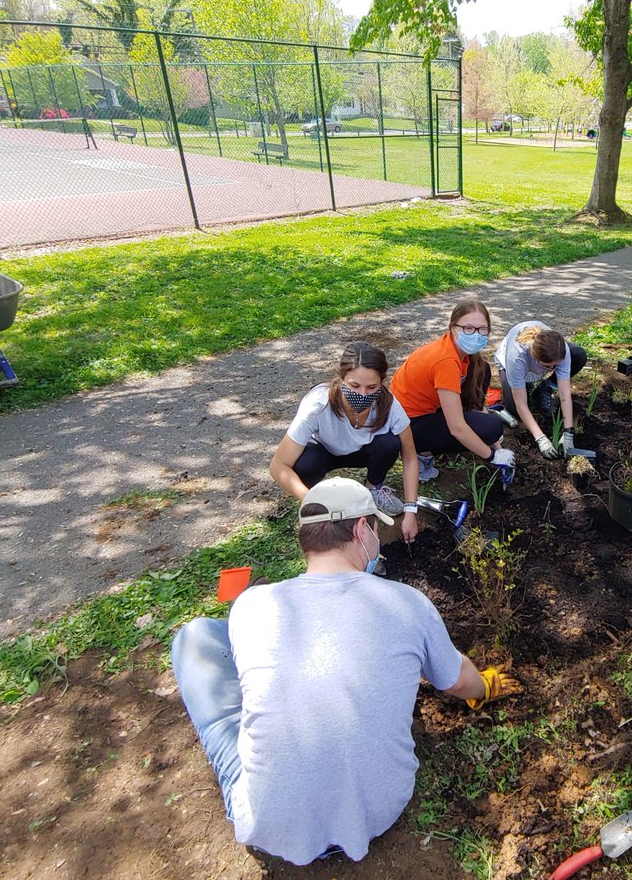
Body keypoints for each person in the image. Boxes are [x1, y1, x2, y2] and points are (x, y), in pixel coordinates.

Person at [171, 477, 520, 866]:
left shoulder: (252, 606)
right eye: (375, 526)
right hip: (379, 807)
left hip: (274, 824)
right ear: (359, 529)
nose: (376, 536)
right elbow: (458, 681)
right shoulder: (406, 603)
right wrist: (484, 687)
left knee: (194, 636)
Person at [269, 341, 419, 542]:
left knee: (390, 443)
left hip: (363, 451)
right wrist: (311, 502)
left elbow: (409, 457)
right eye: (354, 385)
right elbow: (278, 466)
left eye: (371, 387)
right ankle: (316, 501)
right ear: (341, 378)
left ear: (382, 382)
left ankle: (373, 489)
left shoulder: (389, 405)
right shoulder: (318, 406)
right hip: (324, 451)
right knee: (303, 464)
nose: (362, 394)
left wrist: (411, 510)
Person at [390, 297, 515, 482]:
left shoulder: (461, 353)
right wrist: (492, 455)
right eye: (468, 328)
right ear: (453, 327)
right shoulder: (446, 361)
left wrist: (499, 447)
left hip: (426, 408)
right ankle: (421, 454)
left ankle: (445, 438)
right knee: (492, 427)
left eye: (482, 329)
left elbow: (476, 400)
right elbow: (457, 428)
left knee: (483, 370)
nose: (476, 334)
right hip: (406, 425)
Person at [494, 321, 587, 459]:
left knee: (578, 354)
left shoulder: (562, 350)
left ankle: (545, 388)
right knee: (514, 409)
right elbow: (521, 404)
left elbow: (564, 393)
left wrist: (568, 431)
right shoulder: (517, 357)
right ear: (536, 358)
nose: (554, 368)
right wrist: (541, 439)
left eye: (557, 365)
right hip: (512, 369)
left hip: (537, 365)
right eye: (549, 366)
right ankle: (527, 386)